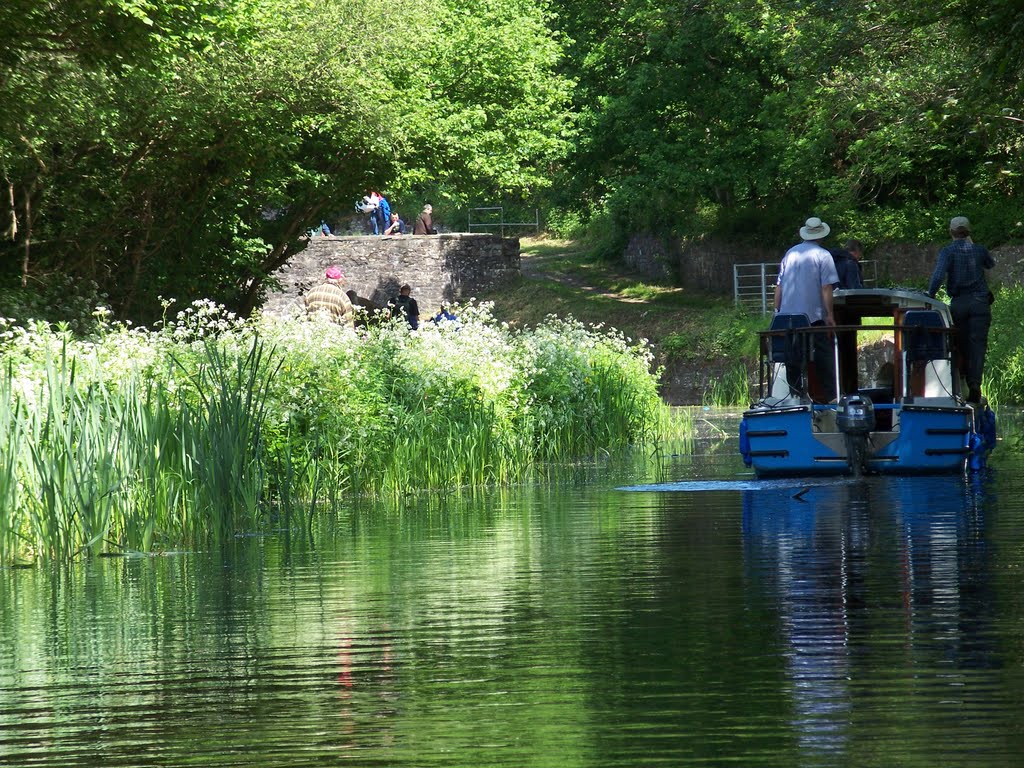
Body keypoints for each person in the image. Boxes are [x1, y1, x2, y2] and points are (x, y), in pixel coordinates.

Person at [927, 215, 995, 403]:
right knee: (978, 346)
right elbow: (991, 263)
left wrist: (929, 295)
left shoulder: (948, 252)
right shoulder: (979, 250)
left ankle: (962, 384)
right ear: (969, 231)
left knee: (961, 345)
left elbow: (939, 275)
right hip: (980, 303)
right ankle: (975, 385)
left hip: (959, 304)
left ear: (951, 232)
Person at [775, 216, 840, 402]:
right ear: (821, 235)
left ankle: (795, 396)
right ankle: (831, 398)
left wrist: (776, 313)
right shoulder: (823, 255)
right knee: (823, 357)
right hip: (813, 317)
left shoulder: (790, 253)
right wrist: (830, 315)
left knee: (793, 358)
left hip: (788, 319)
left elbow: (779, 286)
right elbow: (826, 287)